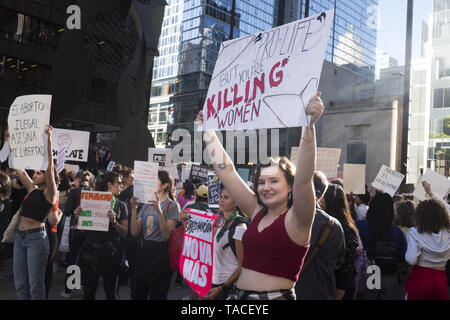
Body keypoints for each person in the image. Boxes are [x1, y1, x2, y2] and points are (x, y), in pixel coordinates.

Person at [196, 92, 324, 300]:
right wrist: (208, 133)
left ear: (290, 187)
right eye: (261, 182)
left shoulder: (298, 218)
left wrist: (308, 127)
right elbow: (227, 172)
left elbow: (304, 177)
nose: (266, 187)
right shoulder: (256, 212)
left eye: (274, 181)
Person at [12, 125, 59, 300]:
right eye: (35, 173)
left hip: (36, 240)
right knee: (20, 285)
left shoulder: (50, 194)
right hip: (19, 238)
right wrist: (12, 142)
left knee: (35, 287)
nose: (35, 175)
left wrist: (48, 140)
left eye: (39, 173)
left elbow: (49, 167)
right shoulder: (32, 189)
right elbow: (19, 170)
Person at [74, 171, 128, 300]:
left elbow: (125, 232)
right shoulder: (91, 201)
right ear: (109, 184)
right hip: (91, 252)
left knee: (111, 292)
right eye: (119, 183)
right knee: (89, 291)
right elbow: (82, 230)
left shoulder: (121, 205)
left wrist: (114, 223)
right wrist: (78, 218)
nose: (122, 186)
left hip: (111, 254)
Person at [295, 171, 345, 300]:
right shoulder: (334, 225)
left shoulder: (289, 219)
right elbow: (339, 263)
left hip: (294, 292)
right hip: (324, 292)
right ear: (322, 193)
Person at [129, 170, 179, 300]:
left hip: (161, 255)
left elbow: (166, 235)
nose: (150, 184)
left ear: (164, 185)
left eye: (155, 181)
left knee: (158, 294)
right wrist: (134, 210)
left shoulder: (172, 206)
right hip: (145, 251)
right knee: (137, 291)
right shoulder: (146, 204)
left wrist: (159, 211)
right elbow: (134, 231)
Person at [356, 192, 407, 300]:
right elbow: (402, 255)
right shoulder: (397, 231)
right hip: (390, 273)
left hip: (369, 272)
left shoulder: (360, 226)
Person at [204, 188, 247, 300]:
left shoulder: (239, 228)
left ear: (236, 202)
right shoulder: (220, 223)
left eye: (226, 198)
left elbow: (242, 266)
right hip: (214, 283)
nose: (221, 200)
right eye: (221, 197)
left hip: (228, 288)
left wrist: (221, 289)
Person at [404, 199, 449, 300]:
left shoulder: (414, 232)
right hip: (441, 278)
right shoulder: (448, 232)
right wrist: (432, 193)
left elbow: (412, 260)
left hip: (420, 277)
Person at [320, 183, 359, 300]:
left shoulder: (326, 226)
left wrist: (340, 291)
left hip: (333, 286)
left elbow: (347, 264)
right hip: (337, 285)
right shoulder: (349, 228)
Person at [61, 170, 93, 297]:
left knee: (72, 258)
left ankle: (68, 290)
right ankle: (85, 286)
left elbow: (67, 212)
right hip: (90, 231)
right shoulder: (94, 193)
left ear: (78, 180)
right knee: (87, 260)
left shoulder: (74, 192)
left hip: (75, 230)